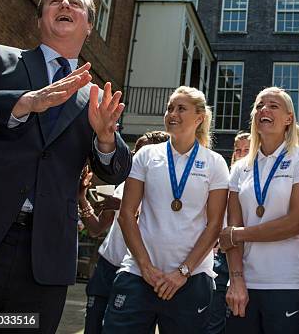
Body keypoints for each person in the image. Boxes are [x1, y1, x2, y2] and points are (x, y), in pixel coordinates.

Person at [0, 0, 132, 333]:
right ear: (40, 19)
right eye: (54, 1)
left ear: (89, 24)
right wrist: (27, 102)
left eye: (74, 2)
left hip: (42, 262)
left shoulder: (94, 96)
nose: (64, 5)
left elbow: (117, 170)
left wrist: (106, 137)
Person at [102, 86, 229, 334]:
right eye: (170, 107)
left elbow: (214, 225)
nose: (172, 113)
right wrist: (146, 267)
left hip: (191, 279)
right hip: (140, 274)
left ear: (200, 117)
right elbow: (127, 213)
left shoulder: (215, 163)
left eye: (181, 108)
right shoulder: (146, 155)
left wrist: (183, 272)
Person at [219, 87, 299, 334]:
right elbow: (231, 228)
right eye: (259, 105)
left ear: (289, 118)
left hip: (287, 284)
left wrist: (240, 234)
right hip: (245, 285)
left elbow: (294, 224)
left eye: (273, 106)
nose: (264, 110)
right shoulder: (240, 168)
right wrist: (236, 279)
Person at [81, 131, 169, 334]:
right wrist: (82, 196)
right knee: (92, 327)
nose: (134, 155)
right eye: (135, 150)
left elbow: (154, 217)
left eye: (142, 151)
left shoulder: (168, 190)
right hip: (107, 267)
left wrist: (120, 206)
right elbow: (95, 229)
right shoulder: (123, 184)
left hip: (138, 273)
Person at [205, 131, 250, 334]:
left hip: (247, 257)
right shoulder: (222, 178)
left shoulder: (255, 182)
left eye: (247, 150)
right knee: (213, 320)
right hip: (220, 258)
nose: (240, 154)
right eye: (237, 150)